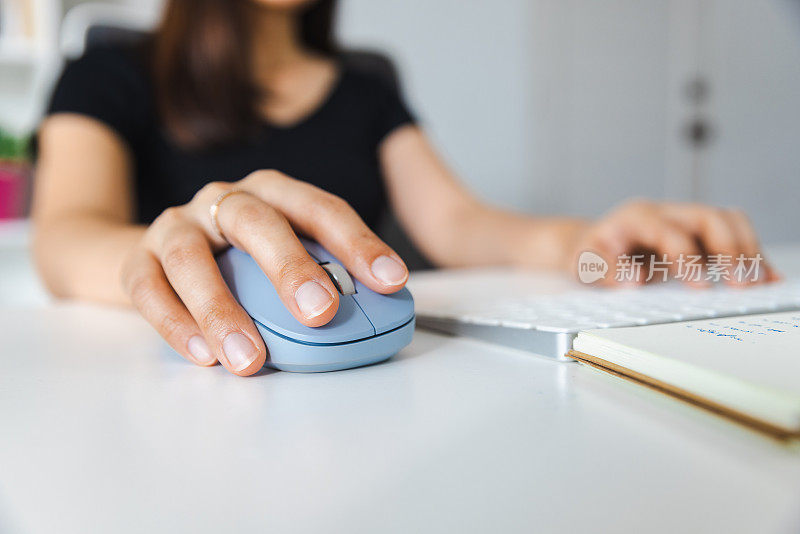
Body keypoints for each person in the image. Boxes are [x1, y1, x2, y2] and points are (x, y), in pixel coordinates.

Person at [32, 0, 777, 377]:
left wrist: (588, 241)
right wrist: (175, 239)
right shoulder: (108, 72)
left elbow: (459, 222)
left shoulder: (366, 87)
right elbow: (65, 238)